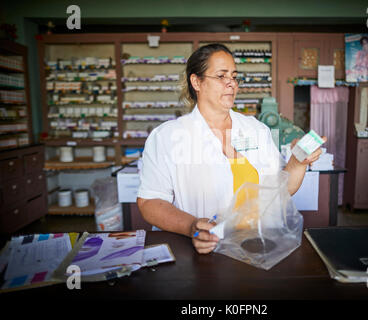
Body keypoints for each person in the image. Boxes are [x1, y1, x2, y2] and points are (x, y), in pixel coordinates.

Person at [137, 43, 326, 254]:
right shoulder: (167, 137)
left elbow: (280, 190)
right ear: (196, 81)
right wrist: (192, 227)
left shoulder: (255, 129)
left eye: (234, 77)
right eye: (221, 76)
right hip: (199, 251)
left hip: (254, 248)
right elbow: (150, 202)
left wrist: (297, 163)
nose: (232, 84)